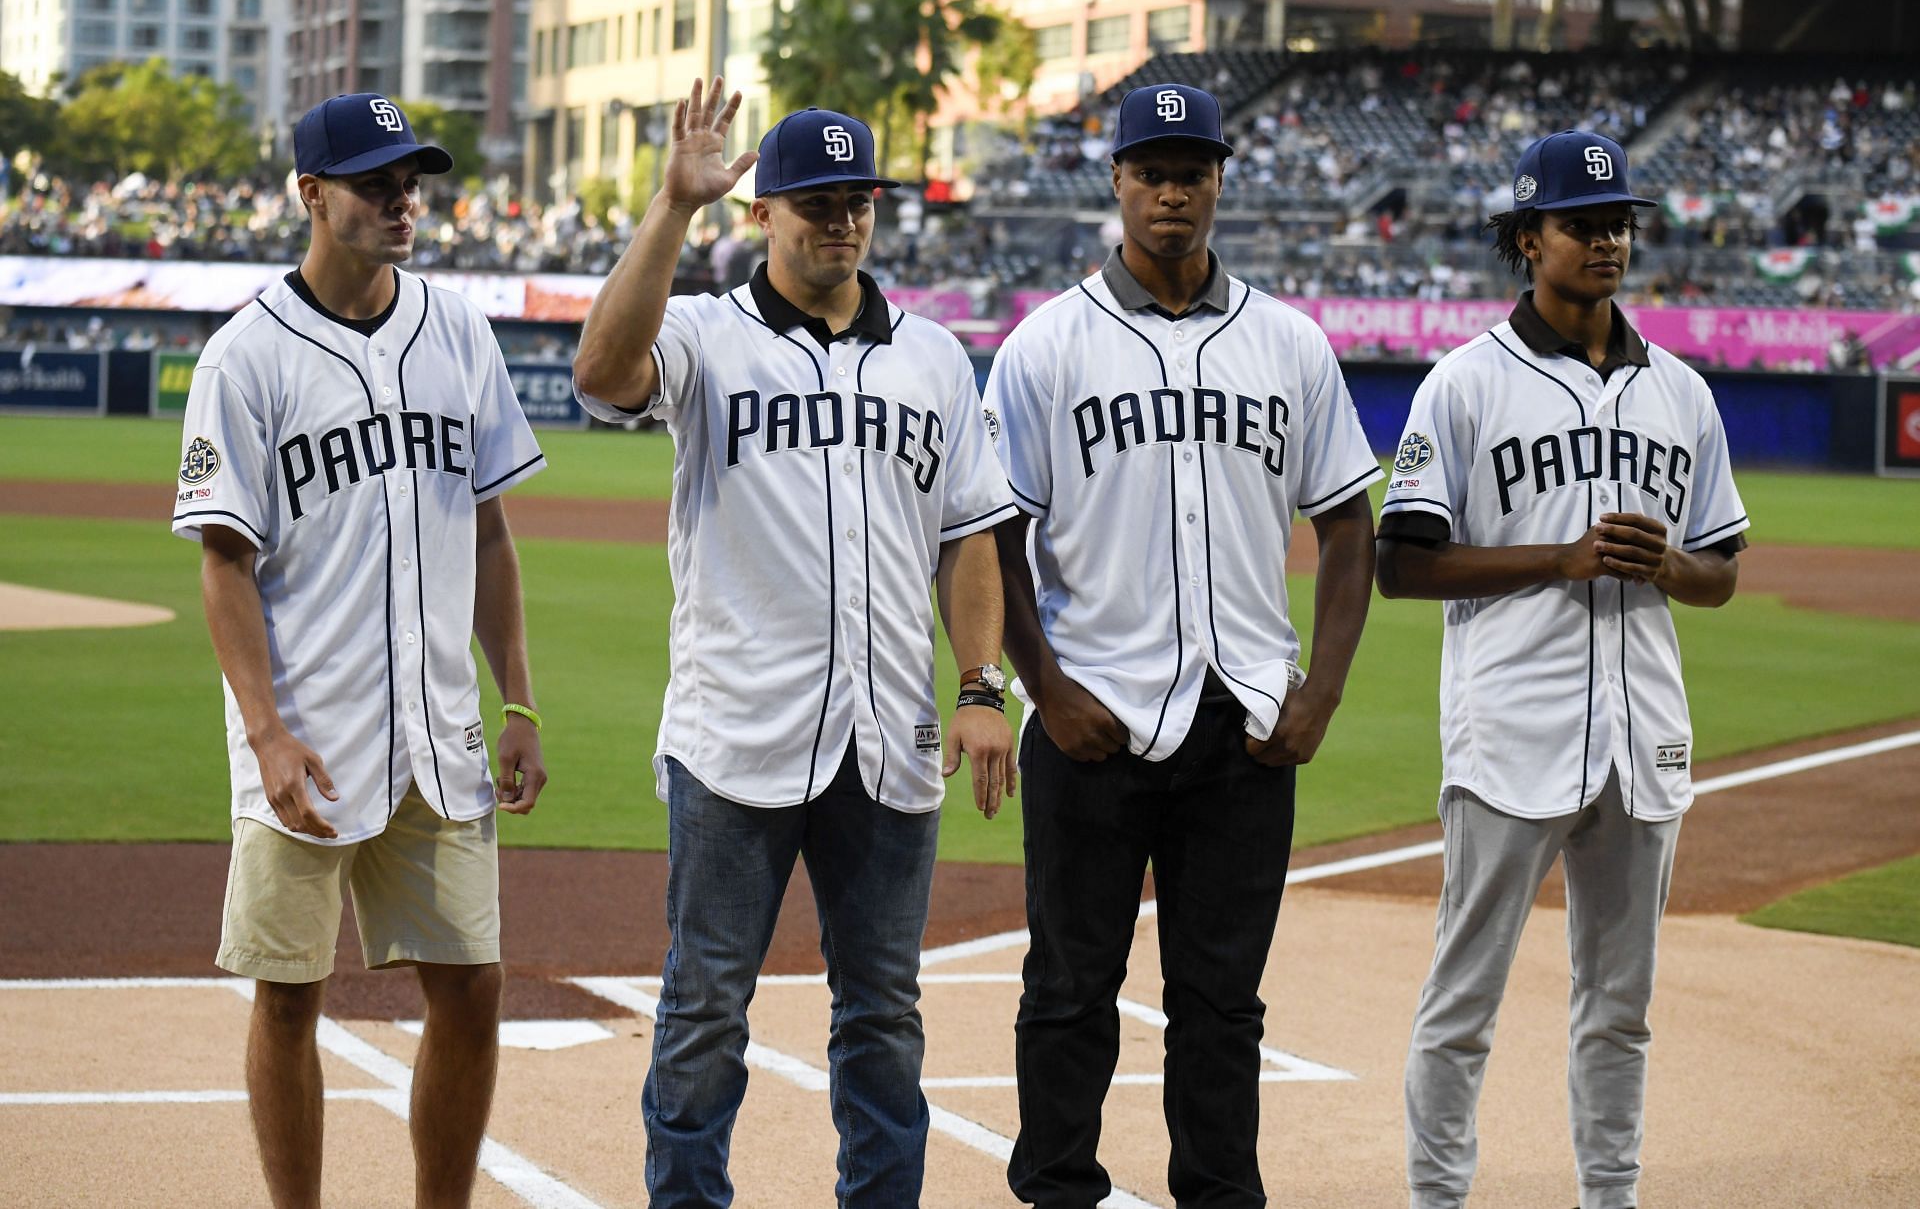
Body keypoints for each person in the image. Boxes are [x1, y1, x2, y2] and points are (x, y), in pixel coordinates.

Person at [570, 77, 1018, 1207]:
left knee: (883, 1014)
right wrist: (671, 207)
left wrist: (981, 685)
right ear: (763, 211)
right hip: (733, 737)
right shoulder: (709, 337)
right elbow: (602, 375)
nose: (842, 219)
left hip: (890, 744)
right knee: (707, 1006)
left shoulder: (933, 359)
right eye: (815, 200)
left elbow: (970, 538)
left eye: (857, 198)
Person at [983, 82, 1381, 1208]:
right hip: (1092, 719)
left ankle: (1220, 1195)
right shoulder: (1046, 346)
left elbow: (1348, 521)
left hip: (1243, 725)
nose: (1172, 189)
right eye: (1151, 169)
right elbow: (994, 538)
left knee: (1222, 1002)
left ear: (1219, 181)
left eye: (1191, 168)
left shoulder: (1288, 343)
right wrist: (1044, 687)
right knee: (1069, 987)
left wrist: (1324, 691)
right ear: (1114, 180)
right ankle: (1057, 1190)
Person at [171, 93, 551, 1208]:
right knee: (290, 994)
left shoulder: (458, 329)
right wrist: (267, 730)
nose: (403, 200)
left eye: (411, 179)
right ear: (311, 194)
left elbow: (488, 525)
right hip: (310, 740)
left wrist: (517, 700)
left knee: (472, 986)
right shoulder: (246, 355)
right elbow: (223, 561)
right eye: (377, 181)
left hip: (442, 728)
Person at [1380, 130, 1748, 1209]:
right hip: (1512, 732)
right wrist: (1560, 556)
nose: (1607, 240)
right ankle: (1438, 1198)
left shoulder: (1681, 390)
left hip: (1642, 733)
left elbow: (1722, 565)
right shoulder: (1462, 384)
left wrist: (1672, 565)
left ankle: (1610, 1196)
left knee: (1620, 1005)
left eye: (1618, 223)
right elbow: (1403, 562)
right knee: (1464, 1000)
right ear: (1526, 237)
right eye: (1583, 223)